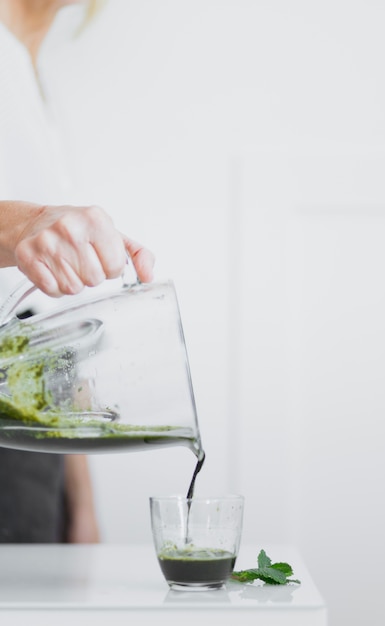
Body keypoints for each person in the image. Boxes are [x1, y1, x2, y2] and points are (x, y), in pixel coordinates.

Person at [0, 0, 154, 542]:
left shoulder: (32, 79)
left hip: (33, 442)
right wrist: (21, 226)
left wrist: (80, 503)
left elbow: (52, 324)